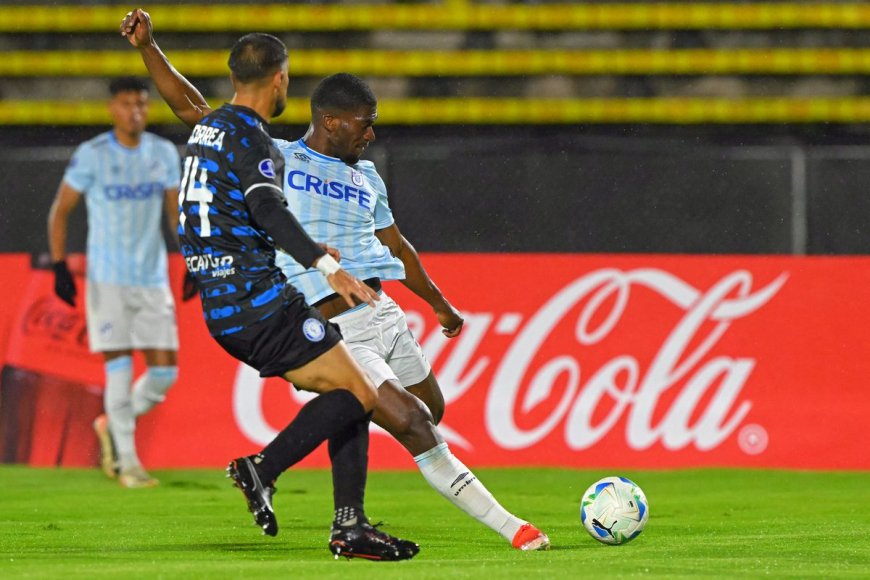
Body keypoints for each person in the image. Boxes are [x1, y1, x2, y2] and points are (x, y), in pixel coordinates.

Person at [121, 9, 549, 551]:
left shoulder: (367, 176)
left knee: (424, 411)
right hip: (332, 318)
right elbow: (196, 113)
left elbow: (397, 246)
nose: (372, 133)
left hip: (383, 311)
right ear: (328, 119)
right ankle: (514, 530)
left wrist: (439, 304)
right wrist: (150, 48)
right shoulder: (277, 157)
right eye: (363, 123)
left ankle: (348, 515)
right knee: (407, 419)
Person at [47, 76, 181, 489]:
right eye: (126, 104)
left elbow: (175, 216)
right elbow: (60, 211)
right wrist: (59, 265)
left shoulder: (163, 153)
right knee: (118, 369)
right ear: (112, 109)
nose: (135, 112)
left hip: (152, 277)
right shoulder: (92, 155)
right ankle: (128, 463)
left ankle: (111, 422)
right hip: (107, 279)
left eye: (141, 104)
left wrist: (193, 261)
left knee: (164, 373)